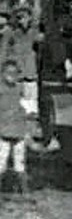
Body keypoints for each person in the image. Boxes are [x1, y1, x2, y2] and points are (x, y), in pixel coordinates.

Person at [0, 59, 32, 201]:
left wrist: (26, 128)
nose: (11, 76)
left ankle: (25, 193)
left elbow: (26, 108)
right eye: (8, 73)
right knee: (1, 162)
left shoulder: (20, 89)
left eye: (15, 73)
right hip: (3, 130)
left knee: (20, 163)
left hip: (18, 129)